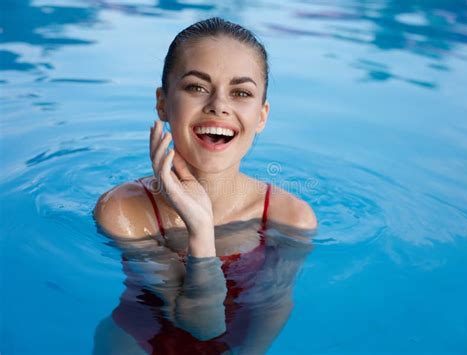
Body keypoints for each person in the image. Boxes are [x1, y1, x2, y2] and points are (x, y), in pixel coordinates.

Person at [93, 17, 317, 354]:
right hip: (135, 344)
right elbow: (201, 325)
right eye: (196, 87)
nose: (219, 105)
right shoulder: (126, 211)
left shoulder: (290, 218)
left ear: (261, 116)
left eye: (241, 92)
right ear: (163, 103)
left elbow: (274, 309)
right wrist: (200, 229)